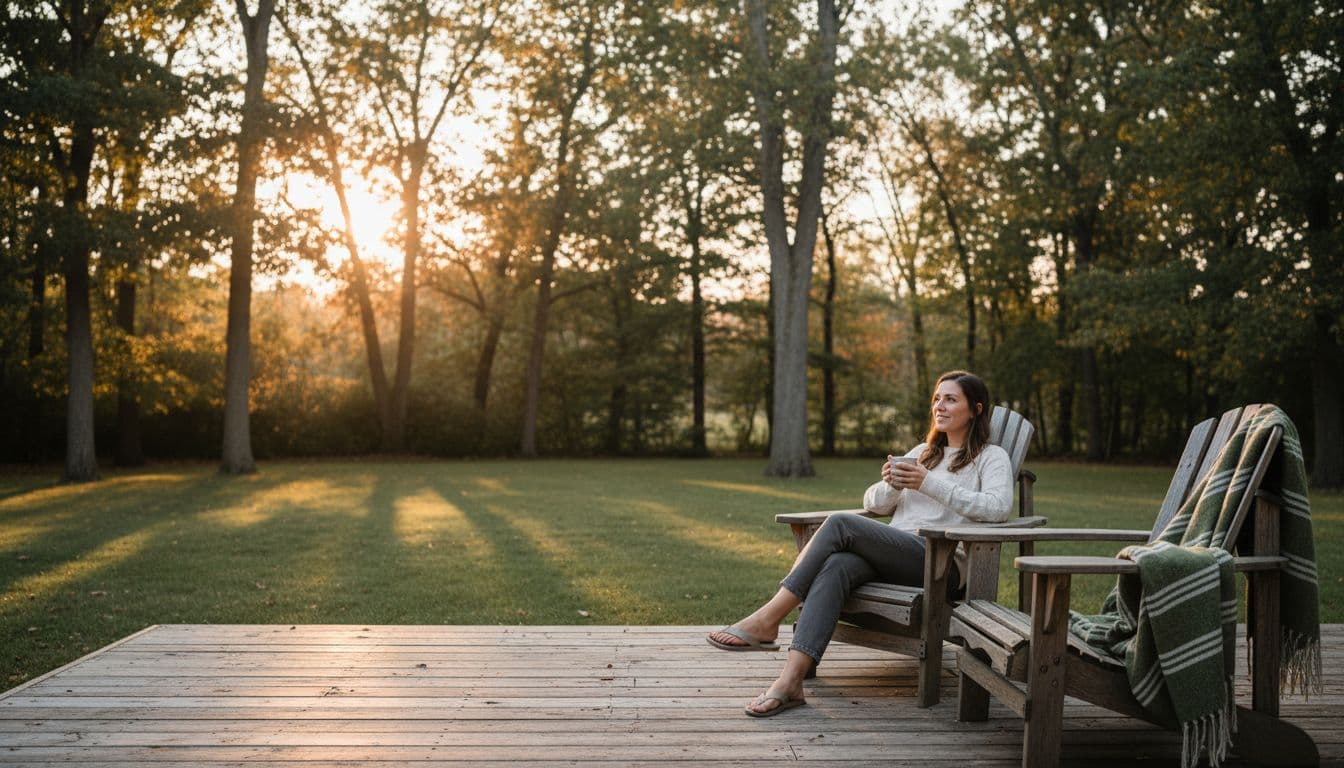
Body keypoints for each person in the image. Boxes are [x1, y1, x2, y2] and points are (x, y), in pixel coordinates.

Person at [706, 370, 1013, 717]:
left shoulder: (992, 457)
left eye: (950, 399)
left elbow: (998, 509)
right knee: (838, 565)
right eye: (937, 398)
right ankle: (790, 682)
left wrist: (928, 483)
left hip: (941, 563)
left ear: (975, 409)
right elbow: (873, 503)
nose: (939, 406)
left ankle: (769, 617)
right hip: (897, 553)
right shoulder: (924, 453)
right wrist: (891, 484)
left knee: (839, 523)